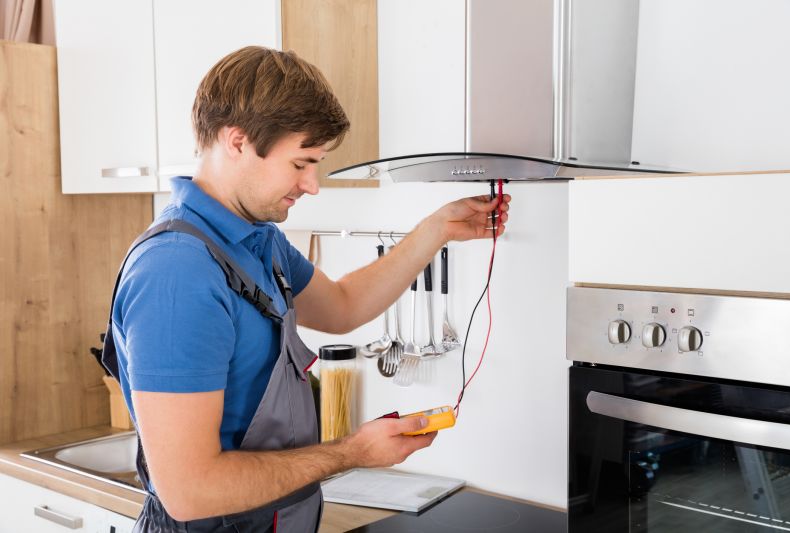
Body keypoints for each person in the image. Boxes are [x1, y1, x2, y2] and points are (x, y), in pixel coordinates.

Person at [103, 46, 510, 532]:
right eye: (301, 163)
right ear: (237, 141)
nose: (312, 185)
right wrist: (351, 452)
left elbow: (342, 306)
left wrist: (436, 229)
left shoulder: (258, 239)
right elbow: (191, 492)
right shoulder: (176, 272)